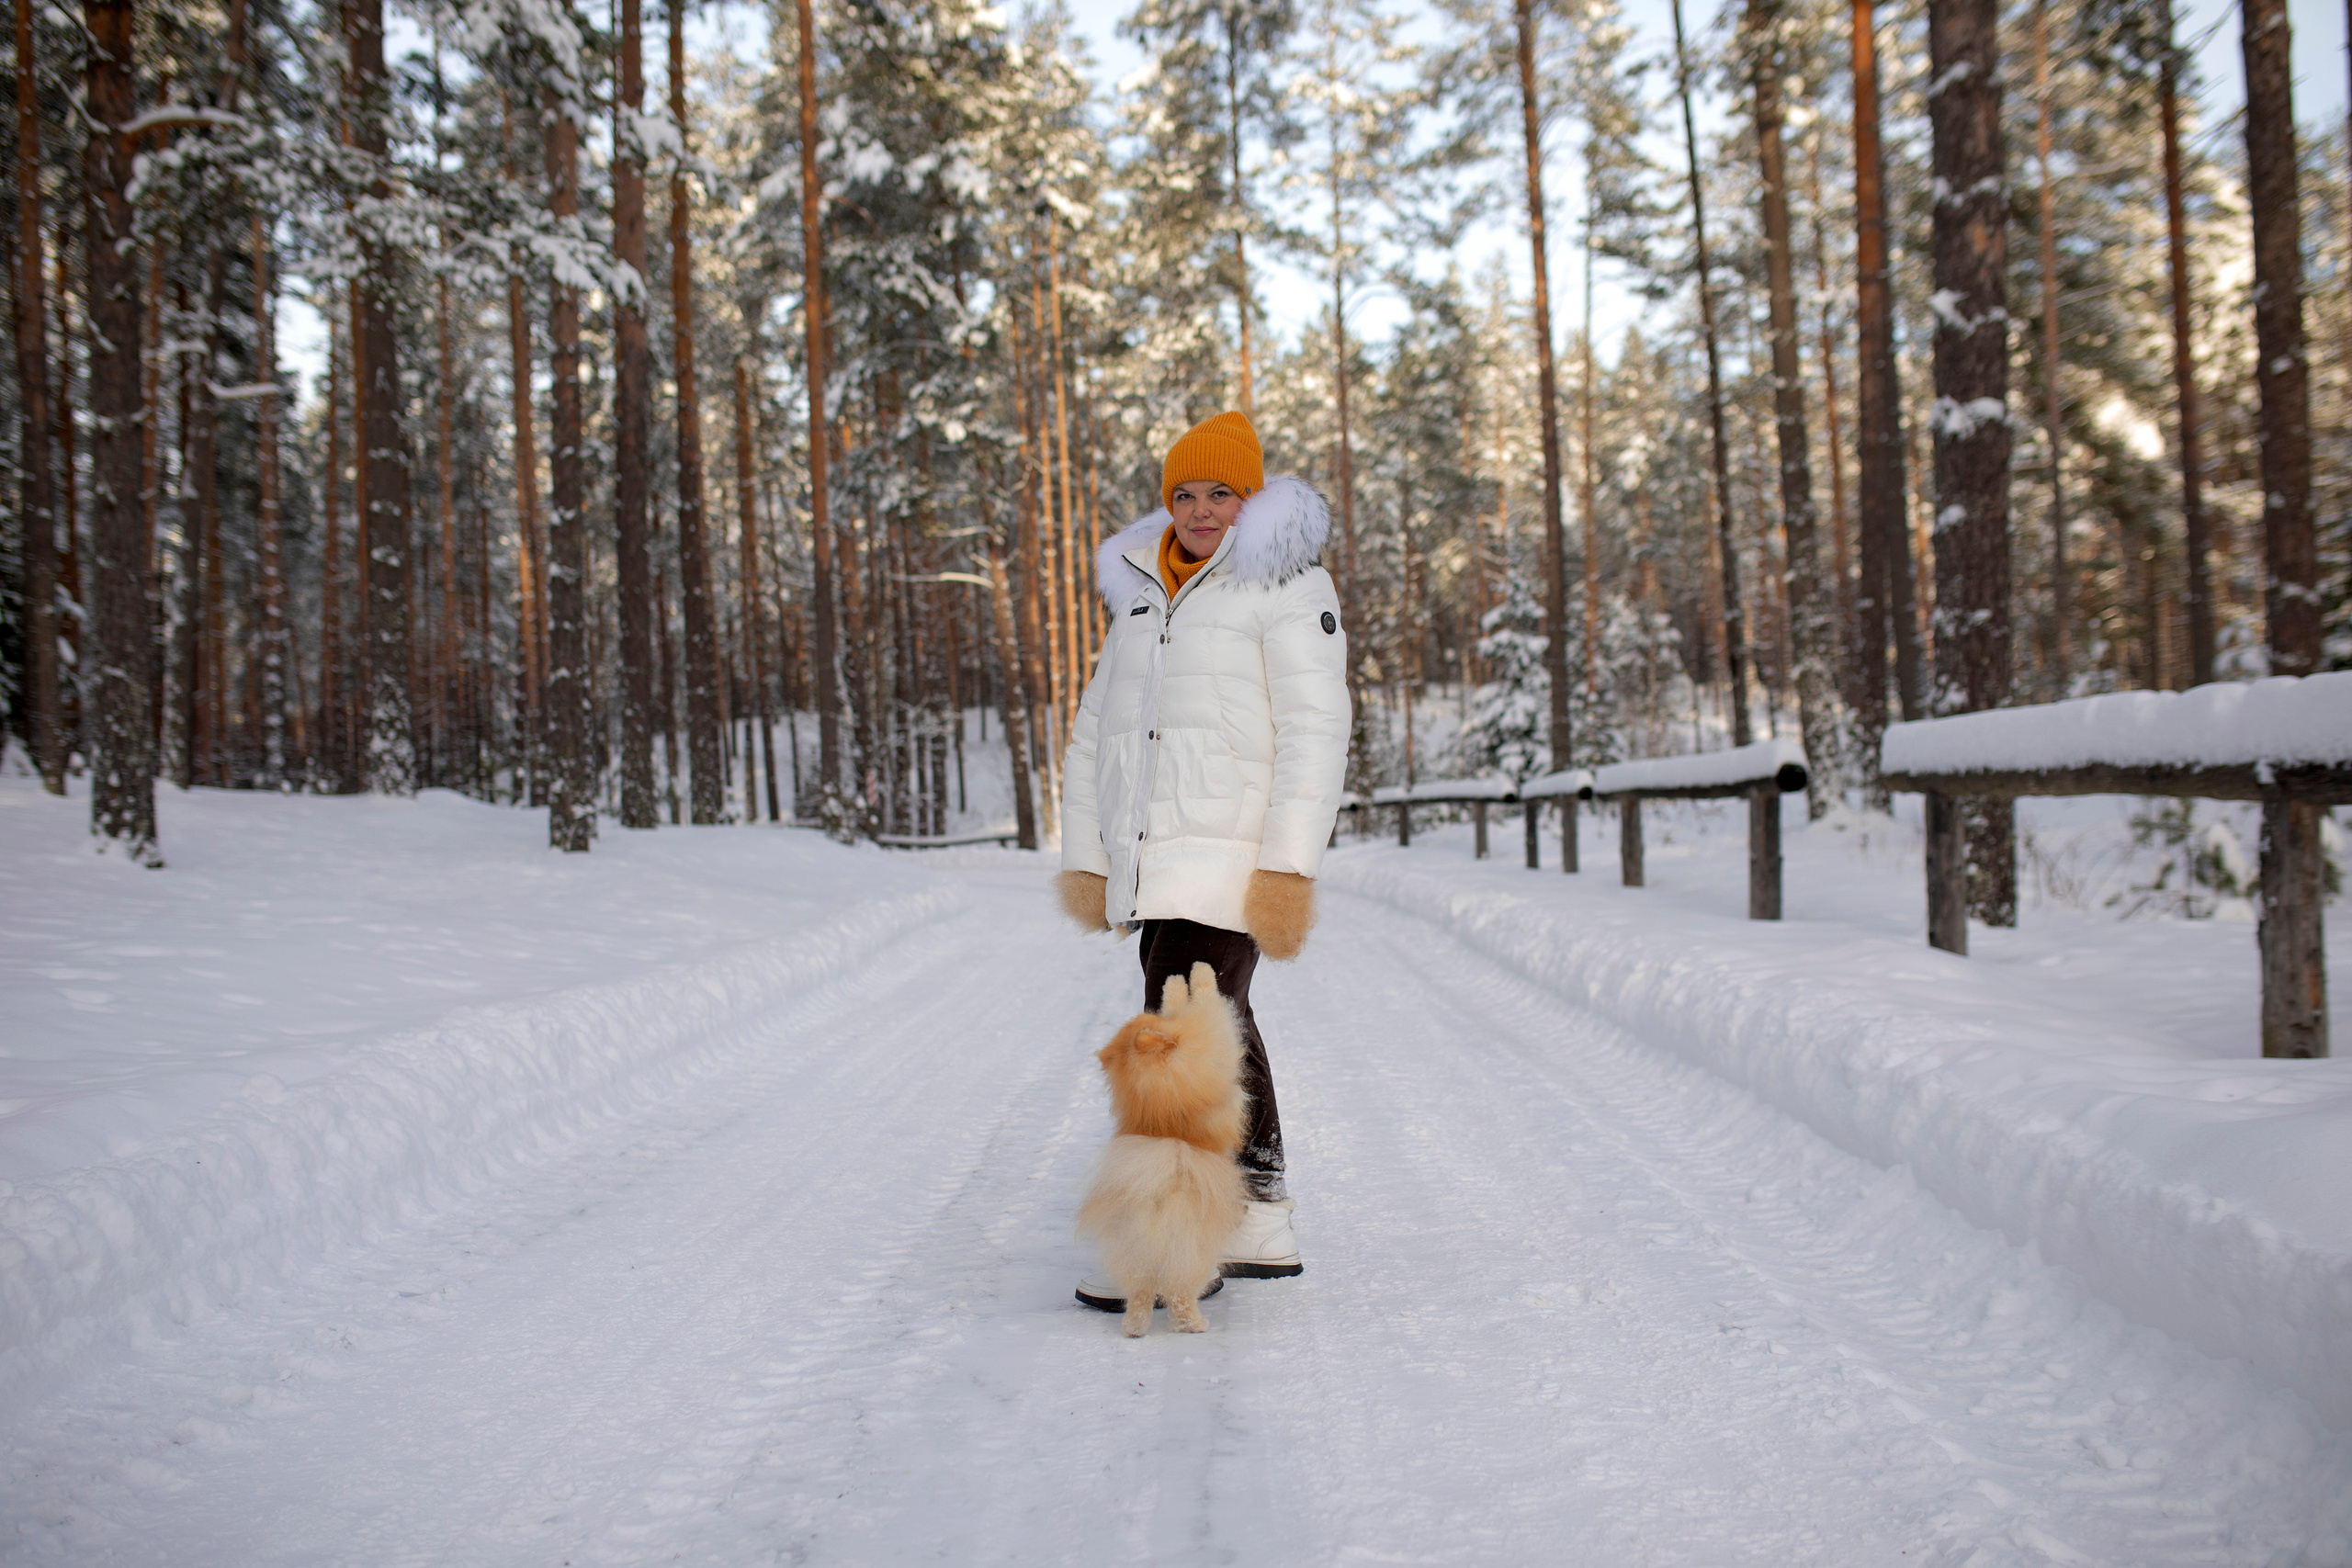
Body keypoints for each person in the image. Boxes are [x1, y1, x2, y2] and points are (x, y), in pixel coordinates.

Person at [1055, 410, 1351, 1312]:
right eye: (1183, 493)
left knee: (1180, 1034)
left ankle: (1173, 1237)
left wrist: (1287, 866)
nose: (1199, 509)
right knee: (1213, 1021)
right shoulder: (1144, 592)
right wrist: (1090, 855)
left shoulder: (1285, 586)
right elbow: (1095, 730)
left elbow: (1315, 728)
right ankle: (1257, 1207)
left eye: (1219, 491)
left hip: (1233, 852)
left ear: (1249, 497)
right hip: (1155, 856)